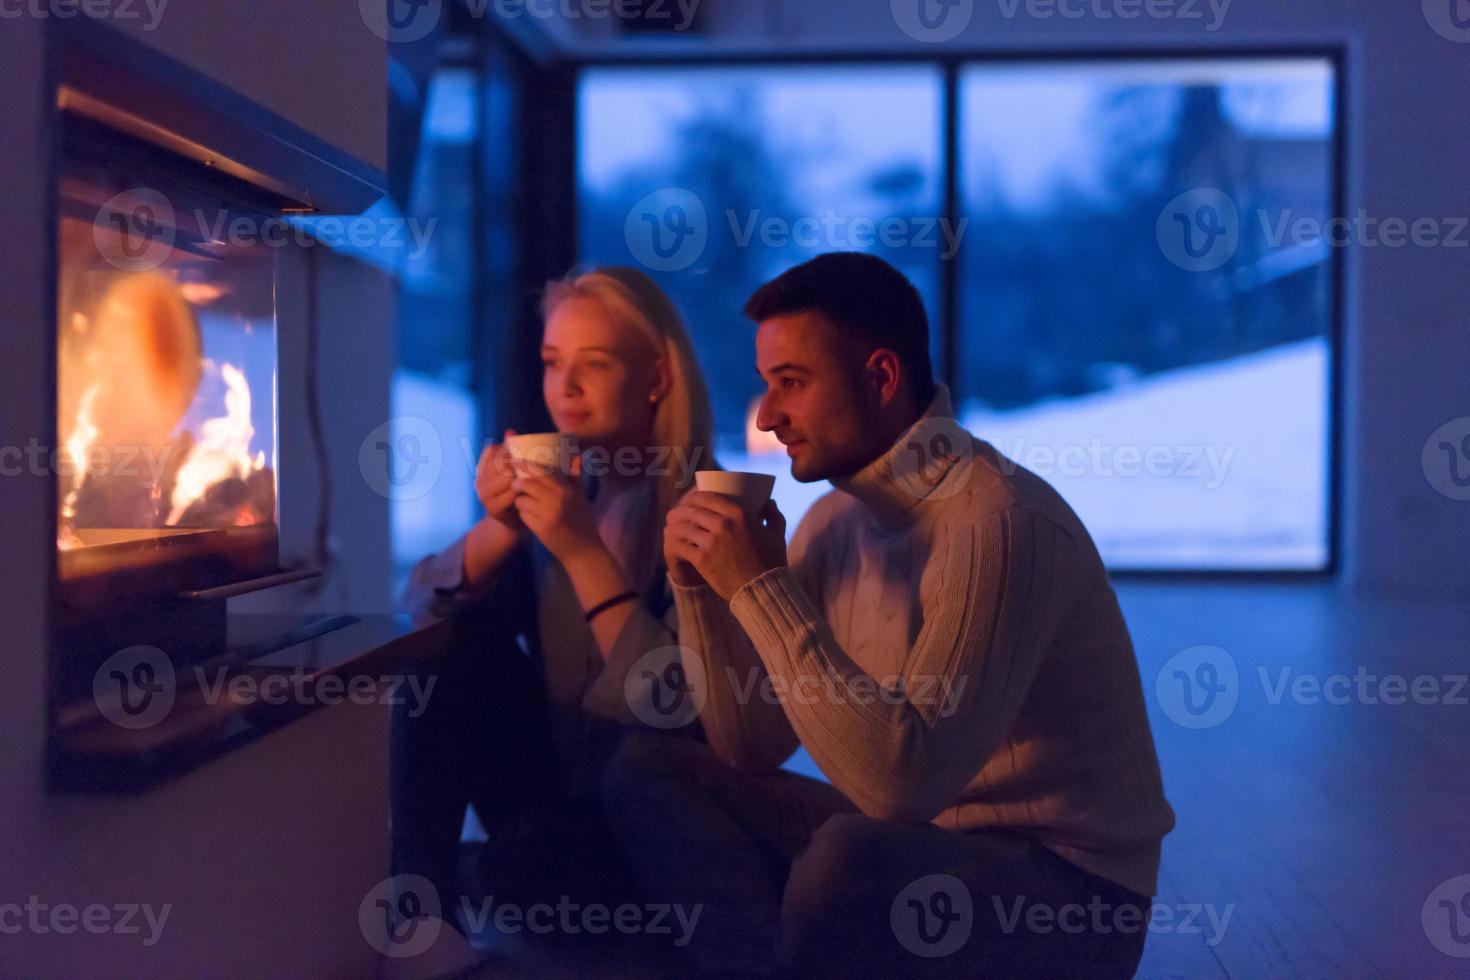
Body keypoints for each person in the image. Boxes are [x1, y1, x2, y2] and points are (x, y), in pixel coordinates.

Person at [602, 252, 1176, 978]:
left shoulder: (999, 522)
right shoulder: (834, 522)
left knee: (848, 855)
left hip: (1072, 897)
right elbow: (751, 747)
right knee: (651, 765)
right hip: (924, 846)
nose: (770, 415)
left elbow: (903, 785)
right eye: (765, 384)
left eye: (792, 383)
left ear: (880, 377)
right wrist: (699, 591)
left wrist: (759, 588)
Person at [392, 266, 716, 940]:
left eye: (592, 365)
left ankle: (477, 878)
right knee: (456, 643)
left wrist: (580, 551)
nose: (564, 389)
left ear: (656, 376)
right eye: (551, 362)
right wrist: (500, 530)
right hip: (557, 797)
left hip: (656, 821)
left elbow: (673, 706)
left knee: (534, 868)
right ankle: (425, 917)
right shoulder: (574, 495)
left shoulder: (705, 513)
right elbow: (417, 615)